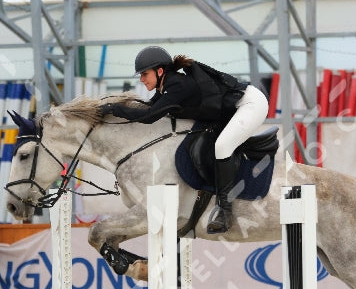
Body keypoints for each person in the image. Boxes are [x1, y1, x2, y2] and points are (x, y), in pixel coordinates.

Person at [101, 46, 269, 234]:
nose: (141, 79)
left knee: (222, 146)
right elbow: (150, 108)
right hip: (234, 108)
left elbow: (149, 116)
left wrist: (113, 109)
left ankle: (225, 210)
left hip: (251, 104)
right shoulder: (166, 87)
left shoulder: (176, 86)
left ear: (160, 71)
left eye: (144, 74)